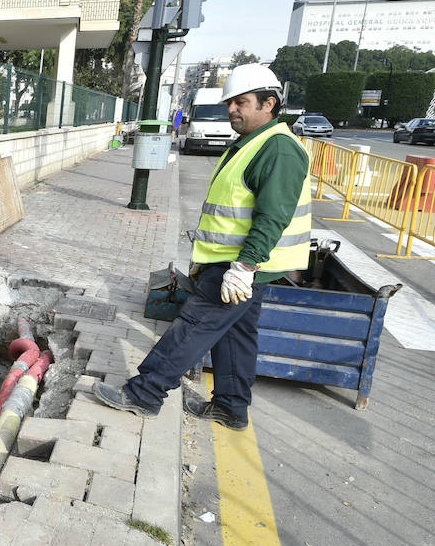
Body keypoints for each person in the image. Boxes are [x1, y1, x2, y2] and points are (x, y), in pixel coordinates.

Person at [92, 64, 311, 432]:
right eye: (230, 103)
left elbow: (273, 216)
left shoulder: (278, 150)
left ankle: (144, 394)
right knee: (237, 335)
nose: (232, 110)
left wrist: (243, 268)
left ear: (269, 104)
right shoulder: (256, 143)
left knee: (194, 326)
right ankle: (230, 407)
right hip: (240, 264)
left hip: (240, 266)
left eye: (242, 102)